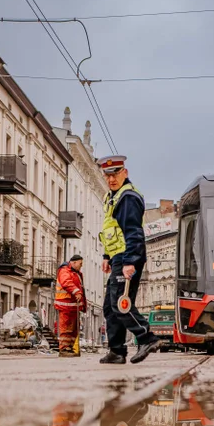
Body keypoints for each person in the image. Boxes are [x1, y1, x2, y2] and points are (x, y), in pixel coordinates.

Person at [97, 155, 159, 364]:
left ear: (125, 173)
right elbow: (112, 230)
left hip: (127, 256)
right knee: (109, 307)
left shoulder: (127, 197)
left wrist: (129, 261)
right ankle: (116, 351)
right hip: (118, 257)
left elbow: (133, 232)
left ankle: (146, 337)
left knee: (120, 304)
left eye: (115, 174)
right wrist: (107, 255)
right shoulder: (112, 197)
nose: (111, 179)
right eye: (107, 175)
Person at [54, 254, 87, 358]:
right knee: (66, 327)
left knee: (73, 329)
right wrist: (76, 292)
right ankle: (64, 348)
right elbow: (66, 282)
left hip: (73, 305)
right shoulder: (65, 271)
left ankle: (70, 347)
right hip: (66, 304)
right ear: (74, 262)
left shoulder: (76, 273)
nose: (81, 266)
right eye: (80, 264)